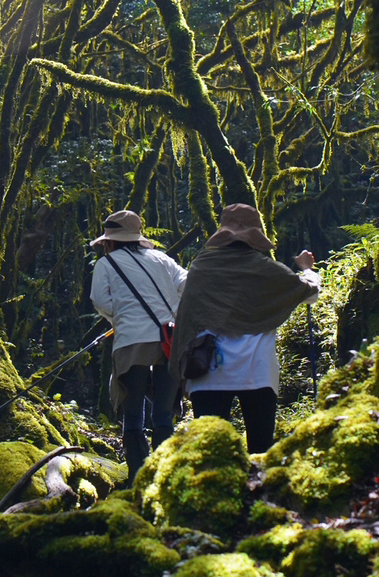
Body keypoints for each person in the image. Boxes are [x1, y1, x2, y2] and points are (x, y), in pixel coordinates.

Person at [169, 203, 321, 453]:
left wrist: (182, 371)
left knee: (210, 455)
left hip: (208, 371)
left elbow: (187, 318)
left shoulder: (201, 267)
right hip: (257, 371)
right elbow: (310, 292)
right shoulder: (265, 269)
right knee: (261, 451)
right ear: (255, 235)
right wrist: (306, 268)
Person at [89, 210, 188, 483]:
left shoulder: (106, 264)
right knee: (163, 415)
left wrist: (120, 317)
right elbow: (187, 283)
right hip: (169, 340)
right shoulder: (161, 258)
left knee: (133, 416)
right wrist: (173, 312)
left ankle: (137, 479)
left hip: (132, 341)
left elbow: (99, 301)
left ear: (110, 240)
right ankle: (164, 478)